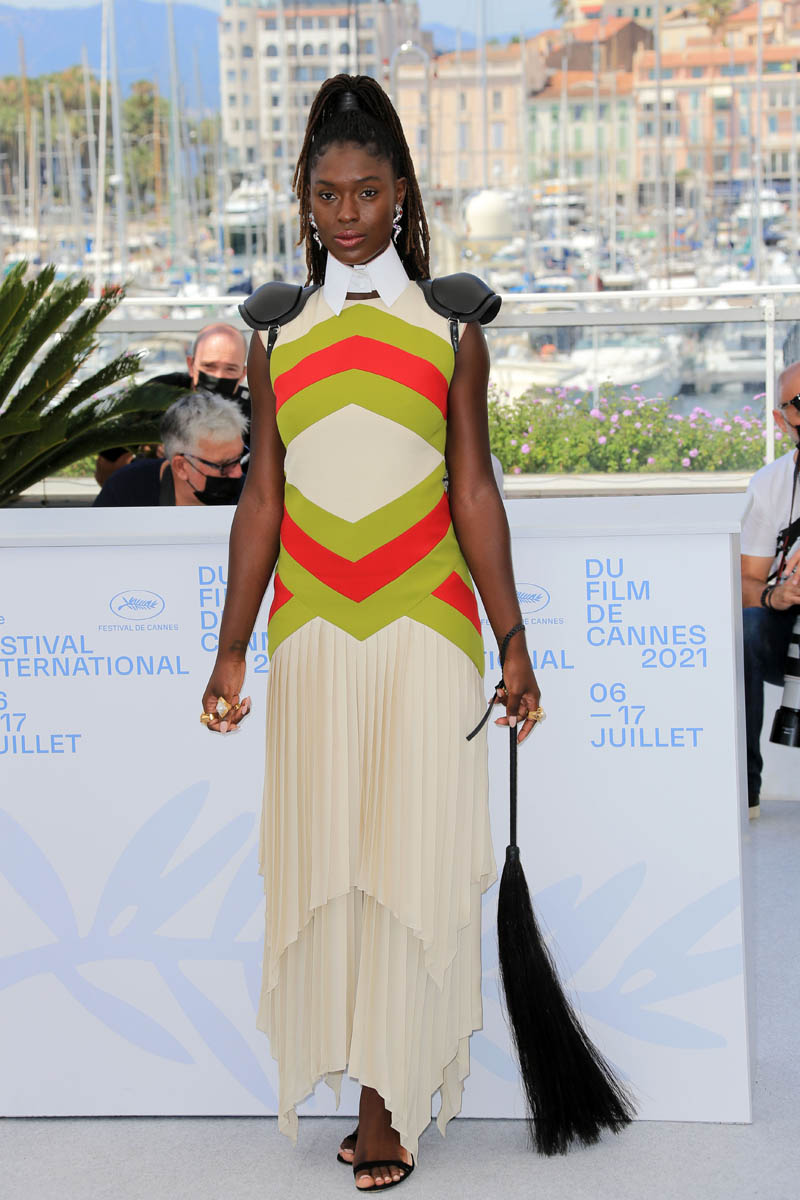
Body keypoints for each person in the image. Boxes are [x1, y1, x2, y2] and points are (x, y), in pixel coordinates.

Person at [200, 76, 541, 1191]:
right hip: (309, 628)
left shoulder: (452, 325)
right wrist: (231, 647)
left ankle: (384, 1105)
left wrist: (512, 640)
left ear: (401, 194)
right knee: (332, 863)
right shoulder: (275, 332)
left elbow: (473, 490)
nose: (346, 214)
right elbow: (262, 498)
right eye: (327, 194)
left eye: (367, 192)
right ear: (304, 200)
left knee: (406, 861)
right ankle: (361, 1084)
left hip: (425, 626)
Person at [741, 360, 800, 818]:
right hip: (785, 628)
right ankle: (746, 789)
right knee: (744, 628)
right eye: (799, 403)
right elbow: (744, 582)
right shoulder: (769, 484)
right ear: (782, 420)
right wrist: (773, 597)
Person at [93, 322, 251, 485]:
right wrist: (151, 453)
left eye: (230, 369)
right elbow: (106, 468)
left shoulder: (253, 410)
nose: (218, 376)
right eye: (209, 366)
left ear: (243, 374)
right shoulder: (156, 395)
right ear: (191, 365)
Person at [93, 391, 247, 507]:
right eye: (224, 466)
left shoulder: (250, 496)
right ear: (181, 466)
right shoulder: (124, 491)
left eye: (239, 459)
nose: (238, 473)